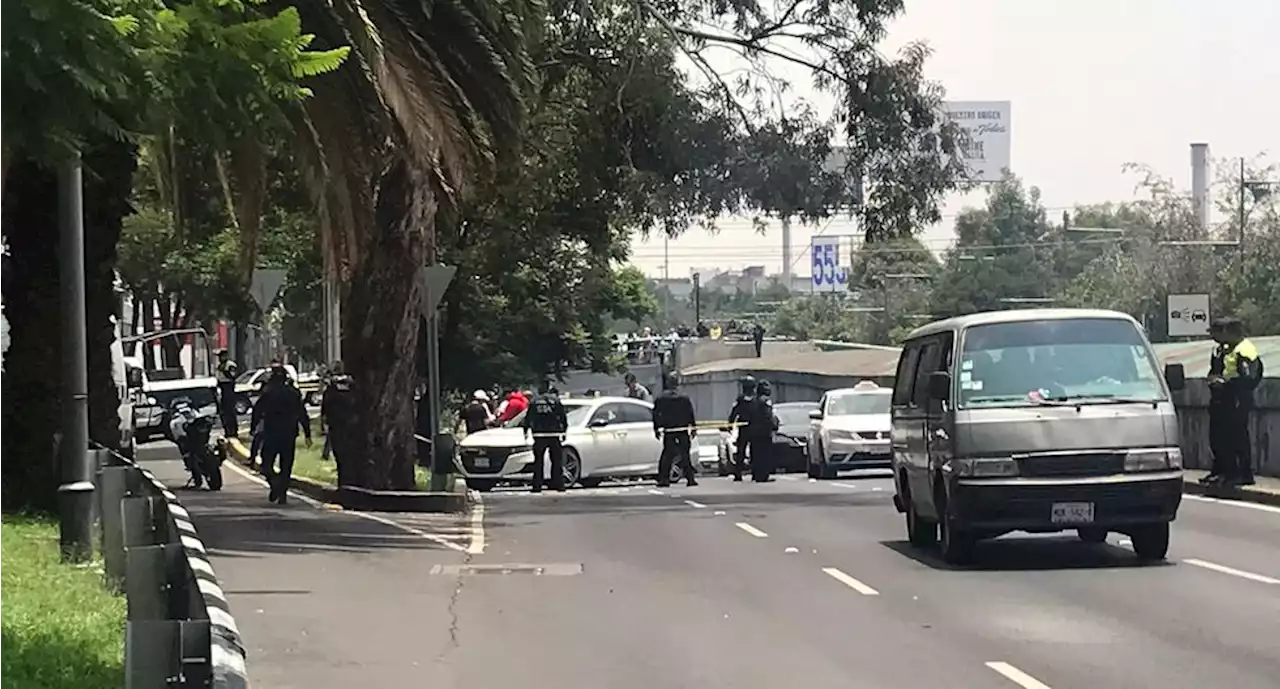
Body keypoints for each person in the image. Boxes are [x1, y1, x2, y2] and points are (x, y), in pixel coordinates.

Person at [1203, 317, 1262, 487]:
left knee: (1237, 437)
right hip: (1223, 400)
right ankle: (1223, 471)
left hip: (1237, 400)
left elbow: (1248, 378)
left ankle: (1242, 473)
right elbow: (1217, 370)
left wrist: (1226, 383)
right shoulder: (1224, 350)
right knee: (1219, 437)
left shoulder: (1245, 350)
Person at [251, 364, 312, 504]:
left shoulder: (268, 392)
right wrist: (307, 433)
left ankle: (275, 484)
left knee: (266, 463)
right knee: (286, 465)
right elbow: (302, 413)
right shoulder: (293, 393)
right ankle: (281, 491)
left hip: (272, 432)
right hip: (289, 433)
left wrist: (254, 427)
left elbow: (257, 410)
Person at [522, 379, 568, 492]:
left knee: (538, 461)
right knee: (557, 461)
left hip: (539, 434)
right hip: (554, 433)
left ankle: (537, 486)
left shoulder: (534, 401)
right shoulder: (555, 400)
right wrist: (564, 431)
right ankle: (559, 484)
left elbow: (528, 417)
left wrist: (525, 430)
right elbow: (563, 416)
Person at [653, 372, 698, 488]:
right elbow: (690, 414)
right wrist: (693, 427)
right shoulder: (684, 397)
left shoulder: (661, 398)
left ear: (668, 383)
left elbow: (656, 414)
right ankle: (690, 478)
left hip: (669, 430)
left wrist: (657, 428)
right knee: (685, 455)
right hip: (682, 429)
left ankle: (664, 479)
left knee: (667, 455)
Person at [320, 366, 356, 485]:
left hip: (338, 426)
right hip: (346, 427)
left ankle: (344, 479)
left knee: (341, 455)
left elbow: (324, 410)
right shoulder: (352, 391)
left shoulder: (331, 391)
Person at [745, 379, 778, 483]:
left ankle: (756, 474)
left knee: (755, 454)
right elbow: (768, 415)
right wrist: (774, 425)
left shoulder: (753, 401)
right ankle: (763, 475)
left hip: (753, 432)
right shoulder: (766, 401)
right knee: (765, 455)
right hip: (764, 432)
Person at [726, 375, 756, 482]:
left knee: (745, 451)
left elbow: (734, 413)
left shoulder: (744, 400)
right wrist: (730, 424)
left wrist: (730, 424)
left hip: (749, 428)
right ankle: (740, 473)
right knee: (743, 451)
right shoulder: (745, 400)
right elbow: (734, 413)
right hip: (748, 428)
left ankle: (741, 473)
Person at [320, 360, 344, 461]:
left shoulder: (331, 387)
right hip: (338, 416)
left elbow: (326, 402)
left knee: (332, 435)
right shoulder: (334, 385)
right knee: (333, 435)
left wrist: (324, 416)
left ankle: (326, 453)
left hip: (334, 417)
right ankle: (326, 453)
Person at [214, 349, 240, 438]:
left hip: (229, 389)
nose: (220, 358)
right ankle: (227, 430)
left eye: (221, 356)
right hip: (222, 389)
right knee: (223, 413)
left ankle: (233, 431)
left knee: (230, 412)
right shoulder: (219, 366)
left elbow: (233, 376)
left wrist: (225, 370)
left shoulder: (230, 365)